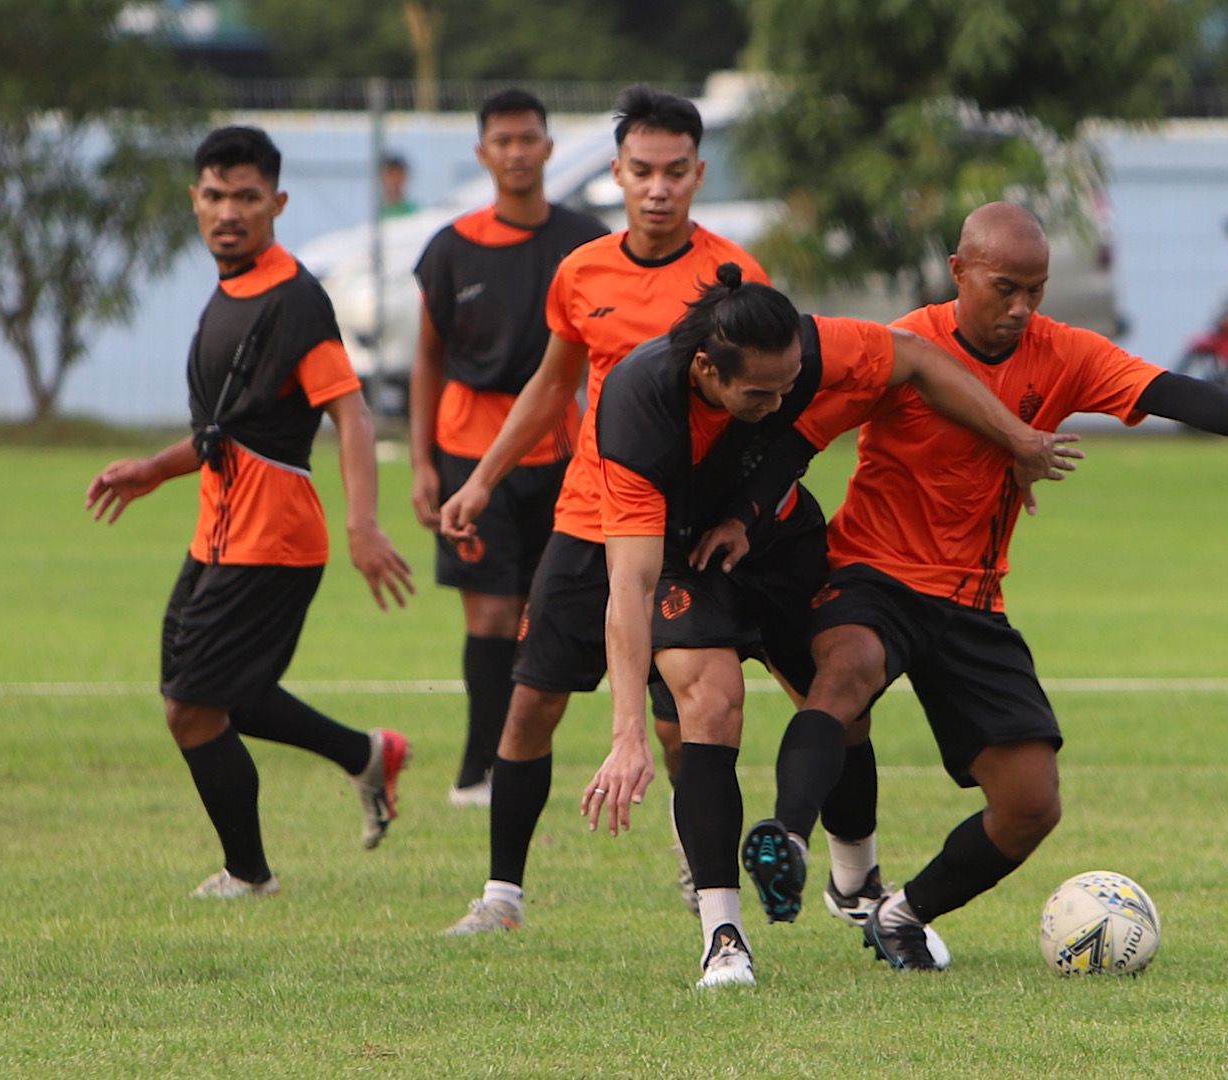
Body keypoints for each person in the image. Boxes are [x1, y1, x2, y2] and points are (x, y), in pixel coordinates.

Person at [749, 201, 1228, 970]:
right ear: (959, 272)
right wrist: (740, 521)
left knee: (1030, 805)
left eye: (1035, 291)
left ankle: (902, 914)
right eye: (1004, 288)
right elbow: (799, 438)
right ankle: (784, 836)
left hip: (973, 598)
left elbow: (1167, 390)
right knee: (845, 674)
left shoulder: (1060, 352)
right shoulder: (903, 345)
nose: (1021, 308)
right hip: (873, 571)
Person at [578, 264, 1076, 988]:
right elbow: (630, 583)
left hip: (778, 541)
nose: (780, 403)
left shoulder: (810, 349)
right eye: (760, 394)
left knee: (839, 702)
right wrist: (626, 731)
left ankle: (856, 883)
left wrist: (1017, 440)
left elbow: (919, 358)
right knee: (710, 705)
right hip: (681, 559)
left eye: (789, 386)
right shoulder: (638, 403)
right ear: (706, 369)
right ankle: (724, 936)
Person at [434, 85, 756, 934]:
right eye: (641, 170)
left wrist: (748, 511)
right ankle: (502, 895)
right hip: (587, 517)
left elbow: (770, 407)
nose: (657, 188)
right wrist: (481, 480)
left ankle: (702, 870)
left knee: (685, 723)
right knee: (530, 705)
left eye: (675, 172)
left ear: (698, 173)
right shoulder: (582, 271)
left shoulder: (731, 278)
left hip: (683, 532)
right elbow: (550, 388)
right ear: (616, 173)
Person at [84, 125, 418, 899]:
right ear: (195, 202)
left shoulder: (296, 299)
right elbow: (227, 430)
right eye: (214, 195)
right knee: (216, 693)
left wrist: (363, 522)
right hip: (219, 530)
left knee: (192, 707)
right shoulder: (231, 287)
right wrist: (154, 471)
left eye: (246, 197)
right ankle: (365, 754)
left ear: (277, 203)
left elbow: (353, 413)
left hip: (273, 540)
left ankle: (249, 875)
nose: (228, 211)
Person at [409, 91, 608, 808]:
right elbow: (426, 358)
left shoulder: (585, 241)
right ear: (482, 153)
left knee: (540, 612)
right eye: (504, 140)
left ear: (549, 148)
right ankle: (478, 769)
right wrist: (425, 461)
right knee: (488, 616)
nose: (517, 151)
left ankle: (521, 758)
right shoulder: (452, 247)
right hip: (469, 452)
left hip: (564, 456)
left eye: (529, 139)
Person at [380, 152, 418, 219]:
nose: (395, 181)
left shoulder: (415, 211)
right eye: (391, 176)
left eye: (399, 176)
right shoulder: (375, 213)